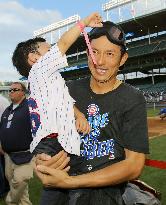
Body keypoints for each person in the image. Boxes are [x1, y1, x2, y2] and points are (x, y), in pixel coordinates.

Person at [35, 21, 149, 205]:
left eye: (110, 54)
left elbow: (133, 166)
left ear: (123, 59)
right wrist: (42, 160)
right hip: (58, 190)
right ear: (88, 53)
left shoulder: (132, 98)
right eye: (94, 52)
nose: (100, 61)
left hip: (103, 193)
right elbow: (50, 138)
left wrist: (70, 182)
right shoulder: (68, 90)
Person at [12, 12, 102, 205]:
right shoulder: (40, 70)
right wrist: (84, 22)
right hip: (52, 142)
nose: (53, 49)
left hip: (57, 140)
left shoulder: (50, 80)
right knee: (57, 190)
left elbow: (67, 103)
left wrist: (79, 116)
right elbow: (63, 43)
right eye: (48, 48)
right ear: (34, 58)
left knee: (70, 186)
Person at [0, 82, 34, 205]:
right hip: (8, 155)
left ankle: (10, 201)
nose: (11, 92)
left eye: (15, 89)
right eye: (10, 90)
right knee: (21, 190)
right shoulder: (7, 110)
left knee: (20, 180)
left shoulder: (29, 107)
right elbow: (2, 128)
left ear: (23, 92)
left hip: (26, 155)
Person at [0, 94, 10, 198]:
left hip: (3, 134)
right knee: (4, 163)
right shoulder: (3, 100)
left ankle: (3, 190)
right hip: (5, 134)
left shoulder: (1, 101)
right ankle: (6, 188)